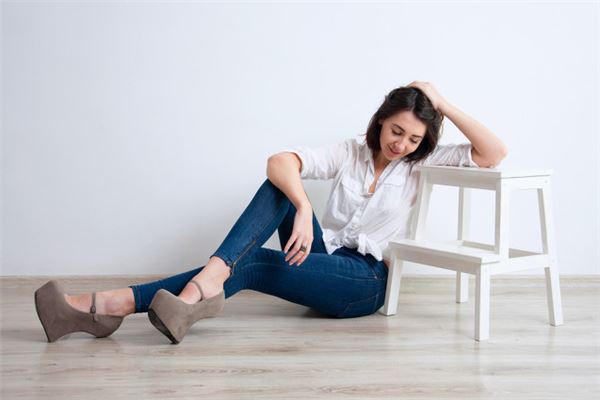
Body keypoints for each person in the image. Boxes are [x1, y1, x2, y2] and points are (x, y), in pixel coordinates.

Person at [34, 81, 508, 344]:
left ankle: (113, 304)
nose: (402, 144)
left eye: (413, 138)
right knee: (280, 185)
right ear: (381, 120)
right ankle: (202, 287)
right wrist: (303, 206)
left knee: (254, 263)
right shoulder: (351, 152)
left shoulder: (424, 163)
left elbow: (494, 153)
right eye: (397, 131)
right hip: (324, 259)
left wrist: (442, 103)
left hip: (364, 283)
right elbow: (279, 161)